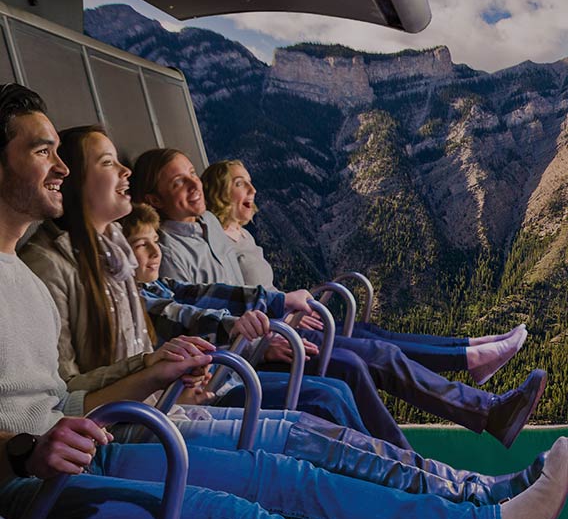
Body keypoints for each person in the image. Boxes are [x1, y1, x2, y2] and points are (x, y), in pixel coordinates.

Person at [0, 82, 567, 519]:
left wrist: (152, 371)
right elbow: (35, 421)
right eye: (42, 150)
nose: (59, 163)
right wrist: (28, 448)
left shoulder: (24, 275)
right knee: (240, 517)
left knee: (293, 462)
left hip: (87, 452)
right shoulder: (47, 268)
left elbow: (61, 396)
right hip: (31, 497)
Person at [19, 124, 543, 505]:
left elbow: (197, 293)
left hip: (211, 369)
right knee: (348, 375)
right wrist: (242, 336)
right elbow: (178, 308)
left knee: (367, 343)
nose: (195, 189)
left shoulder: (141, 245)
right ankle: (433, 478)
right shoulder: (96, 258)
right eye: (108, 162)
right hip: (213, 376)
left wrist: (276, 306)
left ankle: (443, 452)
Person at [130, 147, 546, 449]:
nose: (193, 184)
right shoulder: (165, 251)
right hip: (240, 360)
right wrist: (269, 331)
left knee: (373, 352)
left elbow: (237, 288)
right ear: (152, 200)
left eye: (192, 174)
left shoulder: (207, 225)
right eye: (177, 181)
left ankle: (461, 411)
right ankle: (424, 454)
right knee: (365, 360)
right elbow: (195, 317)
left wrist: (283, 305)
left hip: (269, 335)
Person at [202, 158, 527, 383]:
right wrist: (284, 319)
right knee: (378, 348)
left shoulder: (243, 234)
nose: (253, 191)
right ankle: (468, 358)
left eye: (251, 183)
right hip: (276, 336)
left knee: (378, 335)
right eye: (240, 184)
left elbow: (262, 294)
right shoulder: (215, 240)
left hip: (288, 322)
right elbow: (235, 301)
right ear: (219, 191)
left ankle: (470, 347)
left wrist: (291, 310)